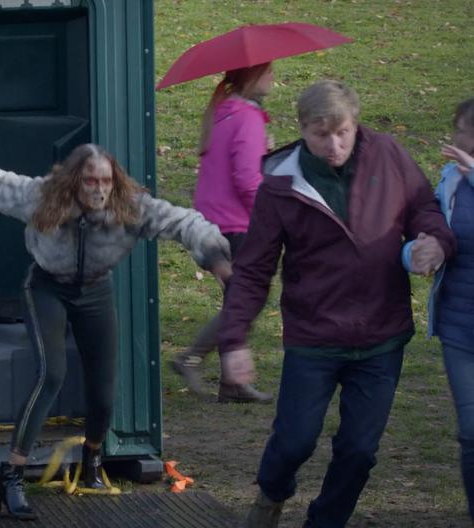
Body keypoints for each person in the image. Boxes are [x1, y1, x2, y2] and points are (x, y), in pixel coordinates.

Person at [0, 143, 233, 520]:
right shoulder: (42, 196)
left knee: (104, 390)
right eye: (90, 180)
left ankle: (91, 462)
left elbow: (184, 221)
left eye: (105, 181)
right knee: (52, 374)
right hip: (46, 287)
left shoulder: (130, 206)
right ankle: (11, 477)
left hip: (95, 290)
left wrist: (219, 261)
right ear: (75, 181)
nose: (98, 190)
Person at [219, 80, 456, 528]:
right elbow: (253, 269)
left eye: (342, 132)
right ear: (303, 130)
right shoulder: (280, 184)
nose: (334, 144)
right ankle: (271, 494)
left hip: (381, 335)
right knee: (294, 442)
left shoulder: (388, 155)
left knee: (360, 450)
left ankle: (325, 521)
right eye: (320, 134)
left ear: (356, 123)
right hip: (314, 338)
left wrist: (434, 240)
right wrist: (234, 341)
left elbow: (424, 207)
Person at [170, 62, 275, 403]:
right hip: (237, 223)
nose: (273, 77)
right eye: (268, 71)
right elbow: (247, 180)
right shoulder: (246, 117)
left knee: (240, 299)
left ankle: (231, 382)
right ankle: (194, 359)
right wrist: (271, 214)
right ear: (252, 77)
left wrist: (264, 152)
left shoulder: (223, 112)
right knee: (247, 299)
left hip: (212, 222)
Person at [405, 97, 474, 522]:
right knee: (471, 434)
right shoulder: (449, 180)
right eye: (460, 128)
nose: (459, 138)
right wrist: (419, 250)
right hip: (459, 326)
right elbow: (428, 226)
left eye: (465, 130)